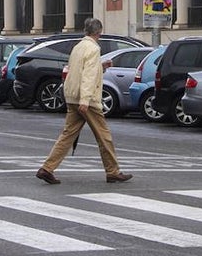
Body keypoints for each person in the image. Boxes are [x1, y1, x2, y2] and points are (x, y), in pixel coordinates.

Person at [36, 17, 133, 186]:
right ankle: (113, 171)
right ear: (98, 32)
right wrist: (86, 99)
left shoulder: (78, 47)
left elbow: (78, 71)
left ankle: (47, 168)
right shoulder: (93, 49)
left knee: (67, 135)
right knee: (104, 136)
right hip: (86, 99)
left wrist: (101, 67)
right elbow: (88, 76)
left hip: (72, 96)